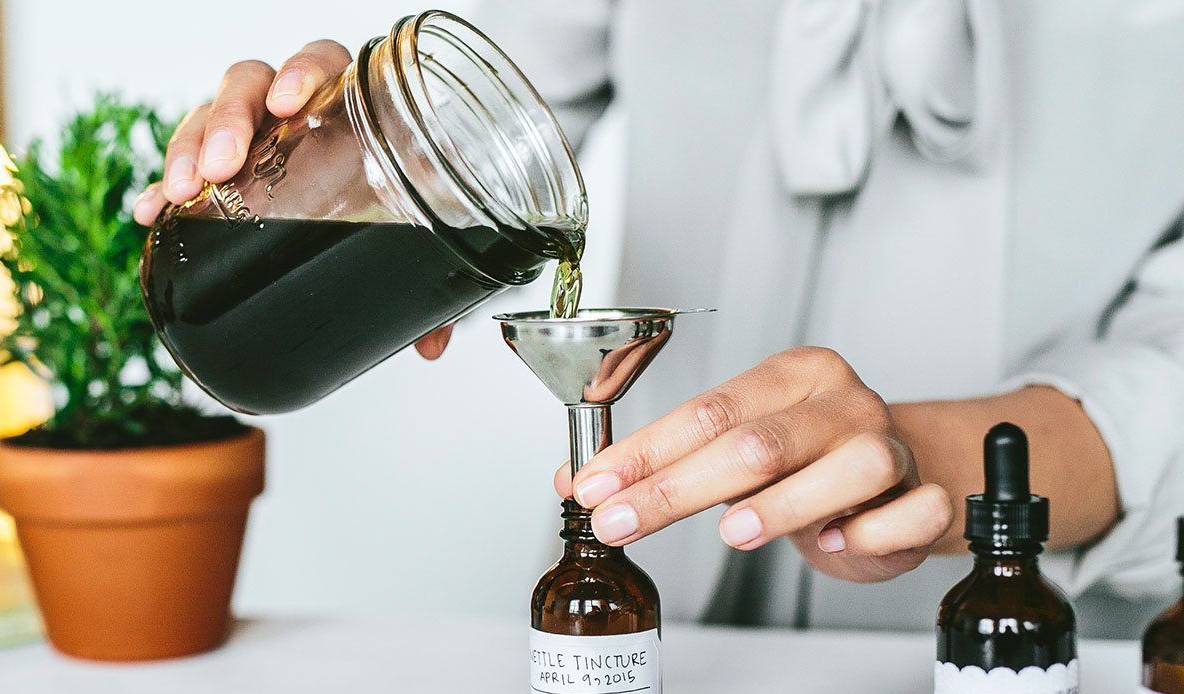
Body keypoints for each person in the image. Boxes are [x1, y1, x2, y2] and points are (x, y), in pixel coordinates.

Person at [133, 0, 1184, 636]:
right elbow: (481, 119)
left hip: (1014, 663)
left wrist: (934, 461)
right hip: (667, 607)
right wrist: (338, 151)